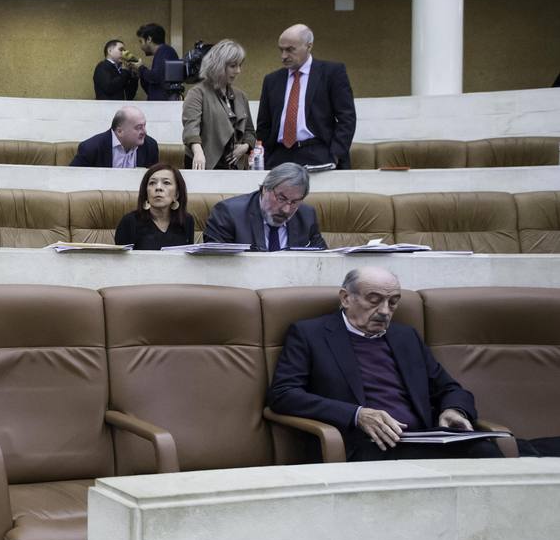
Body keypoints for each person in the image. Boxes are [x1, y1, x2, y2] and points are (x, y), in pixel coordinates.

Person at [269, 267, 502, 461]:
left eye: (393, 302)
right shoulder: (311, 334)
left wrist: (454, 410)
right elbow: (283, 394)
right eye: (374, 300)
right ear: (345, 298)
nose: (384, 311)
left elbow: (450, 388)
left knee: (486, 452)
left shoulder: (406, 337)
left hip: (425, 438)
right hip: (365, 443)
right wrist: (357, 415)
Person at [254, 24, 356, 169]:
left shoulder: (331, 73)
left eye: (290, 50)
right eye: (281, 50)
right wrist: (267, 156)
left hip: (319, 153)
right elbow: (264, 125)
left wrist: (336, 154)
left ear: (309, 46)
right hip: (279, 157)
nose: (283, 56)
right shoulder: (272, 80)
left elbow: (347, 117)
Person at [203, 162, 327, 251]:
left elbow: (322, 259)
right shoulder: (228, 214)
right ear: (265, 188)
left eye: (294, 202)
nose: (286, 209)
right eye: (281, 199)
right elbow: (216, 264)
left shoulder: (307, 216)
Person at [181, 38, 256, 170]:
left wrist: (244, 147)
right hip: (204, 164)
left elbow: (250, 132)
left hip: (236, 168)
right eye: (233, 66)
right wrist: (198, 153)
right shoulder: (197, 93)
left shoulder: (240, 96)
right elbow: (191, 129)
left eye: (240, 65)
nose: (238, 71)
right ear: (218, 65)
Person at [114, 163, 194, 250]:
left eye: (166, 183)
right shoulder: (130, 222)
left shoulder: (186, 221)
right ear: (146, 193)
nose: (158, 188)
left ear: (176, 194)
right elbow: (121, 262)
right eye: (152, 183)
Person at [69, 105, 160, 168]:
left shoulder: (150, 146)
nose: (144, 132)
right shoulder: (91, 148)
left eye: (144, 126)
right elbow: (72, 179)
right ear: (120, 131)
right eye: (138, 128)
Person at [135, 23, 180, 102]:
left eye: (141, 41)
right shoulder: (163, 52)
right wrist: (140, 72)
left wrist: (141, 68)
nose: (141, 46)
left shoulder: (165, 51)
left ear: (149, 39)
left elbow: (155, 77)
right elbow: (152, 87)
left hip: (163, 107)